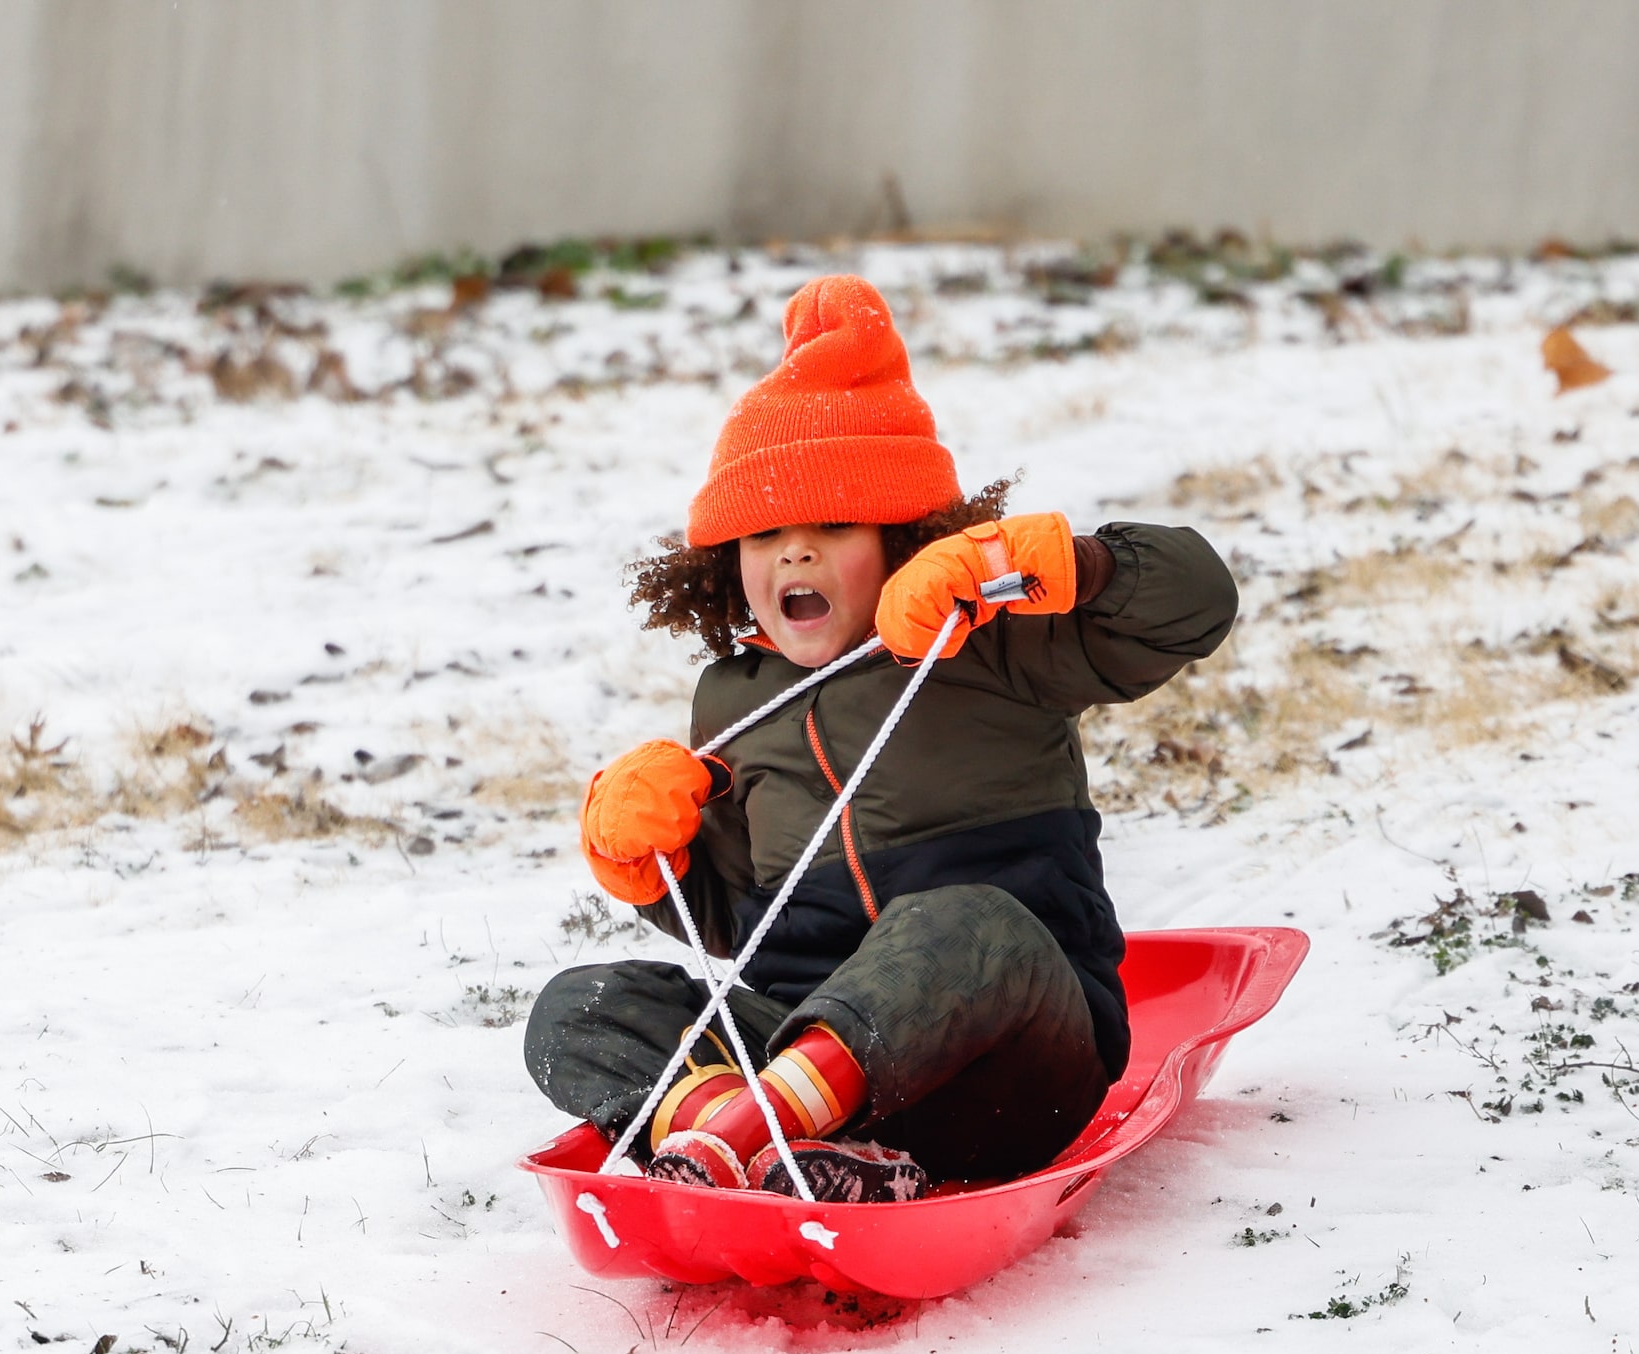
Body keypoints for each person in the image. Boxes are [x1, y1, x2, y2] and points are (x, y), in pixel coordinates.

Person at [522, 275, 1238, 1202]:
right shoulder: (733, 704)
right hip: (803, 1052)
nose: (794, 553)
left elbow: (1194, 606)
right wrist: (649, 860)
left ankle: (741, 1137)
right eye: (765, 533)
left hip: (1005, 1062)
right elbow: (742, 916)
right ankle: (772, 1147)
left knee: (959, 921)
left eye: (832, 525)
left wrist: (1062, 564)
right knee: (576, 1010)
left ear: (905, 539)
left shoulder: (992, 644)